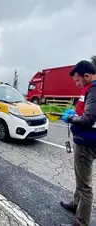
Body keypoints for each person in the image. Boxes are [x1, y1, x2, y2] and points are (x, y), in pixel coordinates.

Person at [60, 60, 96, 226]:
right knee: (80, 177)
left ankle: (81, 223)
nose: (77, 84)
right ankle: (76, 205)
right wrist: (76, 112)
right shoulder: (89, 89)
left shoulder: (94, 90)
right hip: (85, 140)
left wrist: (71, 118)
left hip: (87, 143)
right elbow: (87, 112)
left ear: (87, 76)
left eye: (78, 80)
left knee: (84, 185)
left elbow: (89, 119)